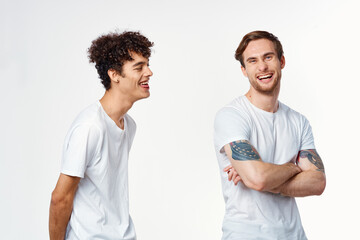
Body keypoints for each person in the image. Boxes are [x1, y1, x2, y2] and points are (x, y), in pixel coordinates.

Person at [214, 30, 326, 240]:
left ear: (281, 61)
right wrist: (294, 167)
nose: (262, 67)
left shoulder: (298, 121)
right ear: (244, 70)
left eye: (268, 57)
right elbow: (258, 178)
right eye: (253, 61)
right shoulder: (231, 116)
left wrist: (262, 177)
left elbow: (317, 182)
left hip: (294, 235)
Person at [49, 31, 154, 240]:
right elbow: (60, 198)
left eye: (147, 64)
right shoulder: (90, 127)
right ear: (114, 74)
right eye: (139, 67)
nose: (149, 72)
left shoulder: (128, 125)